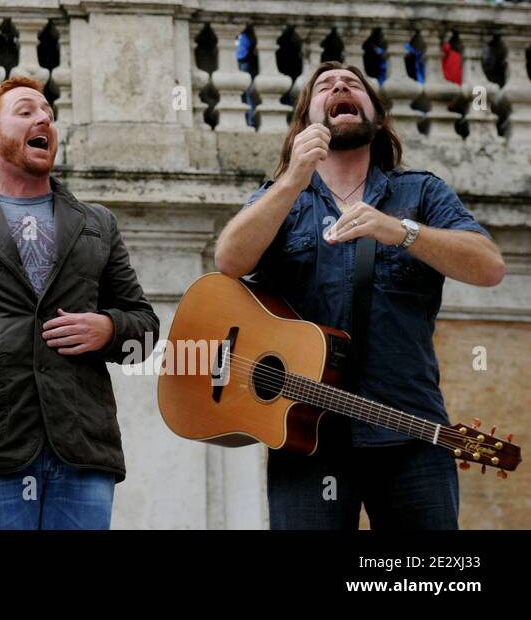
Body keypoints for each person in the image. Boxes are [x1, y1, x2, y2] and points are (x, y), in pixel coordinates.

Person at [213, 62, 505, 530]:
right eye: (324, 86)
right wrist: (291, 178)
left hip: (410, 430)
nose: (341, 86)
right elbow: (229, 261)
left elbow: (489, 267)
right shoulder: (281, 198)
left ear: (379, 119)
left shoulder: (421, 192)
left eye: (354, 85)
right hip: (304, 436)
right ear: (305, 123)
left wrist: (402, 232)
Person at [0, 77, 159, 530]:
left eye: (47, 112)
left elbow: (145, 326)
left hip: (83, 447)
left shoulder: (98, 223)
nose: (44, 118)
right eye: (26, 111)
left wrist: (109, 328)